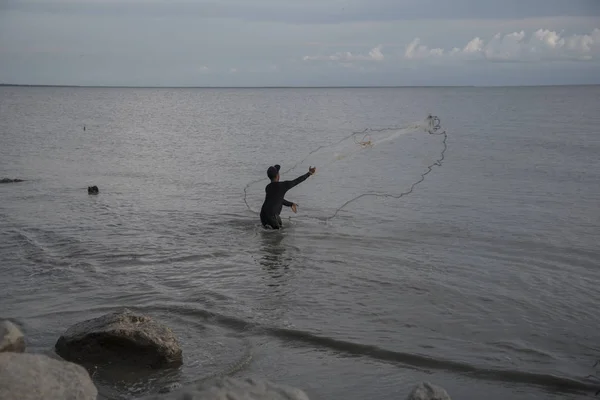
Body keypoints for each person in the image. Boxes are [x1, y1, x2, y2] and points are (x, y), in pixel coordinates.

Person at [260, 164, 316, 229]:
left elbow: (277, 199)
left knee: (271, 232)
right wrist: (309, 173)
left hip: (263, 215)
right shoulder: (283, 185)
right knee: (278, 235)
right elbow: (296, 181)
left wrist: (290, 204)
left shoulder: (268, 187)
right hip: (272, 216)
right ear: (277, 175)